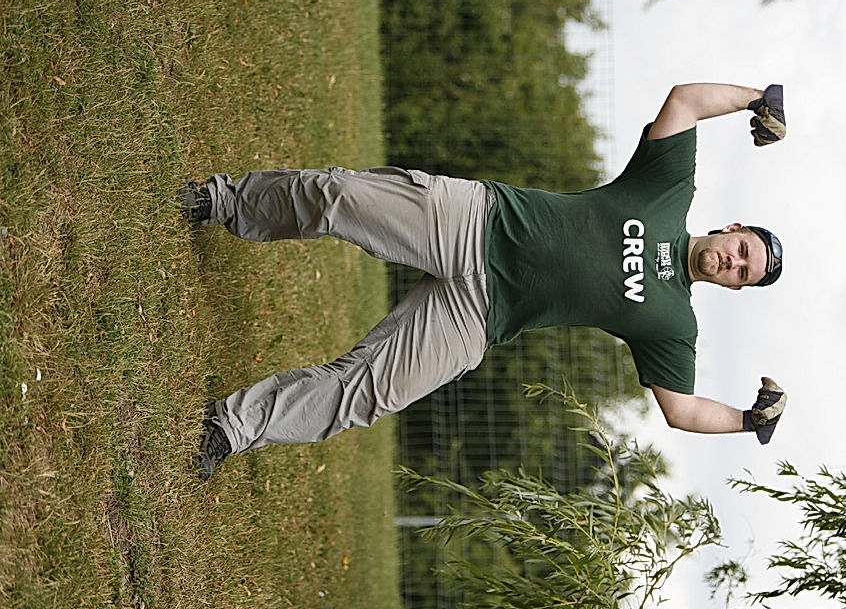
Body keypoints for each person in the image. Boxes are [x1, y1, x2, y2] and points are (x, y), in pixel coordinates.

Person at [182, 82, 790, 480]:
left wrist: (748, 420)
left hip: (480, 316)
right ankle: (224, 202)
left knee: (366, 392)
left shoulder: (672, 324)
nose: (732, 262)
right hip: (474, 221)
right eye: (741, 249)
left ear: (734, 288)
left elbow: (680, 411)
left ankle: (230, 428)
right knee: (338, 195)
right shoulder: (667, 190)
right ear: (730, 228)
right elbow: (683, 101)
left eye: (742, 272)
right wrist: (756, 99)